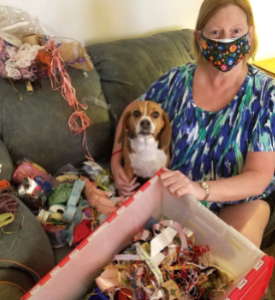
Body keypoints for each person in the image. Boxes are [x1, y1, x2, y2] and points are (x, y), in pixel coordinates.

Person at [111, 0, 275, 248]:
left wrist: (200, 189)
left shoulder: (265, 94)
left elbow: (259, 176)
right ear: (200, 38)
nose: (227, 41)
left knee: (232, 268)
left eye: (236, 32)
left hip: (237, 200)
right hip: (175, 197)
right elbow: (130, 112)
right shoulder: (176, 79)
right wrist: (115, 160)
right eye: (216, 33)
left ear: (250, 34)